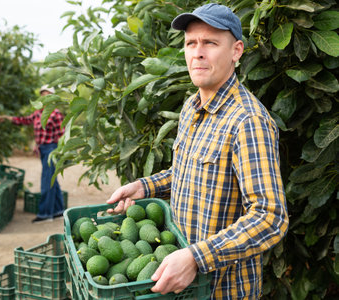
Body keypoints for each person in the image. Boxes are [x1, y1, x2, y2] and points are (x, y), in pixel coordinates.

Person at [107, 3, 289, 299]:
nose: (197, 53)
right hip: (181, 287)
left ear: (236, 51)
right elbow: (187, 171)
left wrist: (196, 257)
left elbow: (270, 217)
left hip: (223, 290)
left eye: (210, 43)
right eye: (190, 43)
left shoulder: (247, 121)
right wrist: (144, 187)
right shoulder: (192, 107)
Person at [0, 86, 65, 223]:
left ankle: (46, 214)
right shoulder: (38, 113)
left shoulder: (56, 114)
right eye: (42, 95)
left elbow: (62, 135)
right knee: (52, 180)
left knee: (47, 180)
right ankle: (58, 210)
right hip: (43, 149)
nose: (45, 97)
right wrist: (8, 118)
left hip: (52, 149)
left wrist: (61, 152)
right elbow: (25, 120)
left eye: (48, 95)